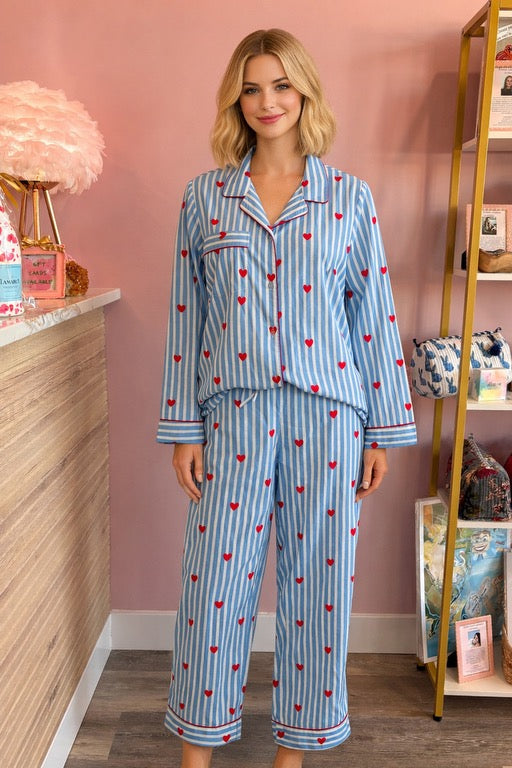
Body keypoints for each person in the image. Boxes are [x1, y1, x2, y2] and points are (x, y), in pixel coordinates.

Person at [157, 28, 416, 768]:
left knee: (319, 586)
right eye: (251, 87)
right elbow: (187, 318)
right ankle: (196, 751)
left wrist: (381, 433)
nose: (266, 102)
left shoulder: (348, 200)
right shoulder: (206, 198)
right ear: (235, 99)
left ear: (303, 92)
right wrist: (184, 429)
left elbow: (373, 316)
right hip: (233, 414)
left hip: (328, 415)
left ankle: (294, 752)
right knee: (214, 587)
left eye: (280, 85)